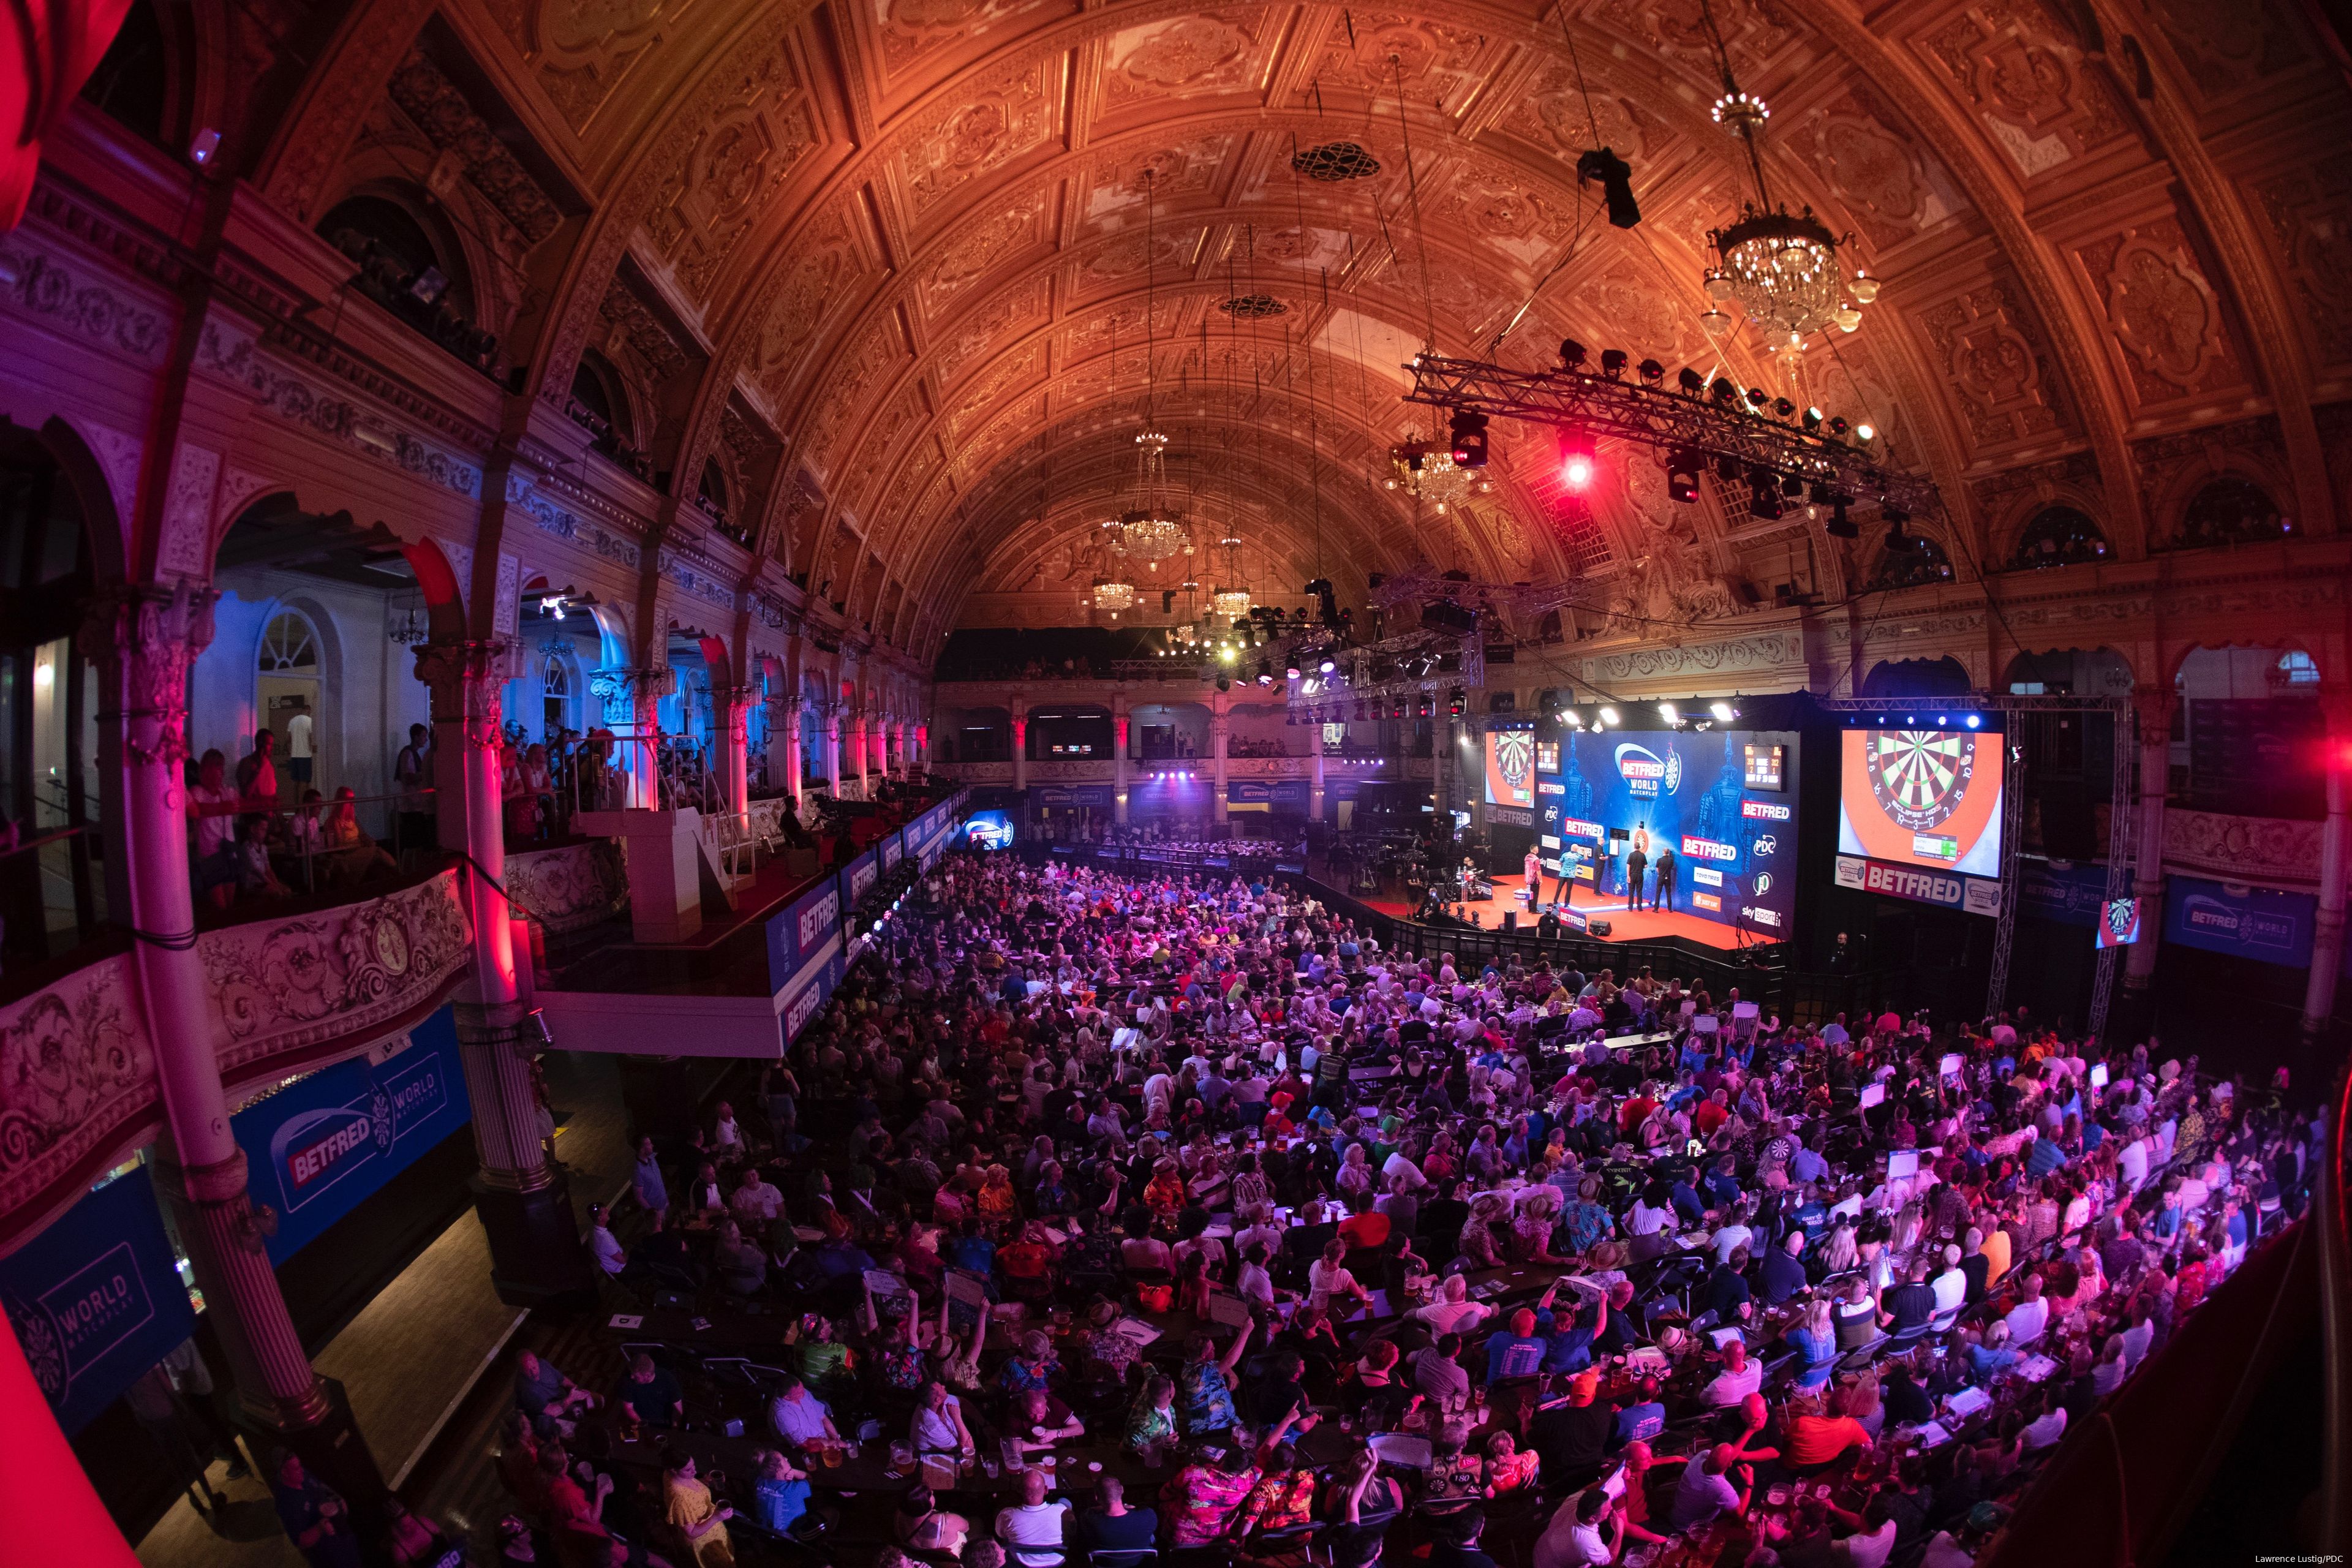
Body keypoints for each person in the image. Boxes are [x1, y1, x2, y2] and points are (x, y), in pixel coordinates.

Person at [270, 1450, 362, 1568]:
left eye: (300, 1466)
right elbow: (300, 1541)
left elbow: (319, 1484)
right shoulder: (286, 1503)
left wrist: (337, 1497)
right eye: (296, 1469)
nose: (302, 1471)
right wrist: (320, 1528)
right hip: (327, 1553)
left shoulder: (302, 1474)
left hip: (342, 1536)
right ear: (285, 1473)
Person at [661, 1448, 734, 1567]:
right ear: (673, 1470)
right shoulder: (680, 1498)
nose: (694, 1472)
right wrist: (716, 1517)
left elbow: (691, 1491)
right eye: (688, 1470)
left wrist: (703, 1482)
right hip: (705, 1542)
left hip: (713, 1530)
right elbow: (691, 1533)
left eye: (693, 1466)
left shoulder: (671, 1474)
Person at [1668, 1444, 1752, 1534]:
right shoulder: (1719, 1487)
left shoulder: (1702, 1455)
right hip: (1689, 1528)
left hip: (1678, 1514)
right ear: (1730, 1464)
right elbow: (1739, 1513)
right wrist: (1749, 1483)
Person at [995, 1468, 1072, 1564]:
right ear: (1046, 1490)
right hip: (1056, 1561)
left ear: (1019, 1490)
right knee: (1064, 1501)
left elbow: (1001, 1535)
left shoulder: (1007, 1515)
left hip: (1021, 1562)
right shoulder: (1062, 1511)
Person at [1071, 1476, 1158, 1557]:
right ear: (1122, 1490)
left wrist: (1103, 1507)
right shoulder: (1149, 1516)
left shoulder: (1089, 1519)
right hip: (1140, 1562)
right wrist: (1126, 1506)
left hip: (1106, 1564)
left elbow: (1090, 1511)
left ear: (1096, 1497)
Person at [1534, 1487, 1620, 1568]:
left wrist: (1607, 1480)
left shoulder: (1574, 1501)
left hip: (1540, 1550)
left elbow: (1586, 1489)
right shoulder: (1587, 1542)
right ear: (1592, 1518)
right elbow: (1609, 1562)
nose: (1612, 1509)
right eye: (1608, 1509)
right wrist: (1619, 1532)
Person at [750, 1449, 812, 1537]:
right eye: (784, 1459)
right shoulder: (794, 1489)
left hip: (764, 1535)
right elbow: (809, 1478)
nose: (787, 1459)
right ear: (778, 1469)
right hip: (792, 1537)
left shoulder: (759, 1481)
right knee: (832, 1511)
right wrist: (793, 1472)